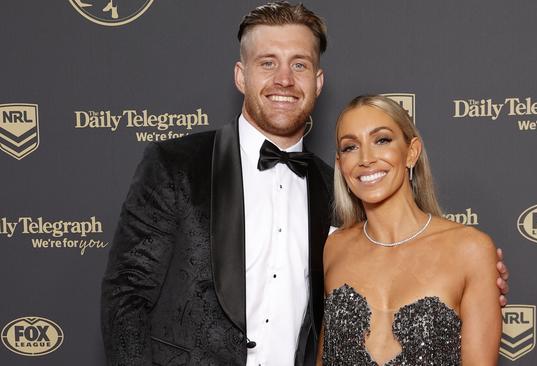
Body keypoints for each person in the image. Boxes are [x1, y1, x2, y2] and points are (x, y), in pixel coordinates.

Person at [101, 2, 508, 366]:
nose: (284, 79)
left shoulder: (336, 187)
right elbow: (126, 296)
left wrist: (471, 283)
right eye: (267, 63)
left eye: (298, 64)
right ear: (241, 76)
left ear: (318, 81)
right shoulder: (176, 165)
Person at [318, 95, 502, 365]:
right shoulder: (334, 247)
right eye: (350, 147)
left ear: (411, 152)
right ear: (340, 164)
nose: (365, 158)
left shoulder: (470, 250)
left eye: (381, 140)